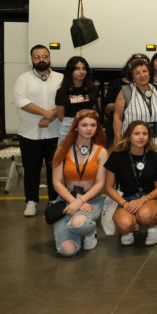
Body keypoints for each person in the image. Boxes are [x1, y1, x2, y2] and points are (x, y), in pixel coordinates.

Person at [50, 109, 109, 256]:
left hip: (90, 199)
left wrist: (81, 201)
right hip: (66, 199)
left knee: (78, 224)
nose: (89, 129)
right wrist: (74, 202)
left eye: (93, 125)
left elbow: (100, 183)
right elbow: (57, 182)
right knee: (67, 251)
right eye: (84, 125)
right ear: (76, 127)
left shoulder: (101, 152)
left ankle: (89, 231)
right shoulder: (62, 150)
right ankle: (75, 228)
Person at [14, 44, 64, 216]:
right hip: (29, 134)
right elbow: (22, 102)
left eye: (44, 56)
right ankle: (31, 201)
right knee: (31, 169)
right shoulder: (24, 79)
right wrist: (45, 113)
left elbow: (65, 101)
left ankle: (54, 200)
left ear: (49, 58)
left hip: (55, 133)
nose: (41, 60)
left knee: (54, 169)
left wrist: (50, 117)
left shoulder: (60, 78)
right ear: (32, 60)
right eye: (37, 57)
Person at [104, 121, 157, 246]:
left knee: (145, 215)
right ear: (129, 136)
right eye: (137, 134)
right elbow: (108, 188)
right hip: (125, 199)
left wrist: (143, 200)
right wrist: (124, 203)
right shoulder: (116, 157)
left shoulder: (155, 158)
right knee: (125, 225)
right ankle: (130, 228)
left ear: (149, 137)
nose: (141, 137)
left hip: (150, 198)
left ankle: (153, 226)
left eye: (145, 134)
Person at [113, 58, 157, 153]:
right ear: (132, 77)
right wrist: (118, 138)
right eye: (137, 73)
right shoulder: (126, 91)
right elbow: (117, 118)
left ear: (149, 73)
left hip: (156, 143)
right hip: (132, 145)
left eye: (144, 71)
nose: (142, 75)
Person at [103, 53, 148, 146]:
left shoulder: (151, 88)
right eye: (137, 71)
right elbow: (106, 106)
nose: (141, 74)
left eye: (144, 70)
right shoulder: (118, 84)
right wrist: (126, 104)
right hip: (121, 127)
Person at [55, 55, 100, 145]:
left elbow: (98, 110)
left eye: (84, 68)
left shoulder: (93, 89)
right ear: (70, 71)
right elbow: (61, 116)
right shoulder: (61, 92)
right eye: (77, 69)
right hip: (68, 127)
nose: (81, 71)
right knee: (64, 153)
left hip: (88, 127)